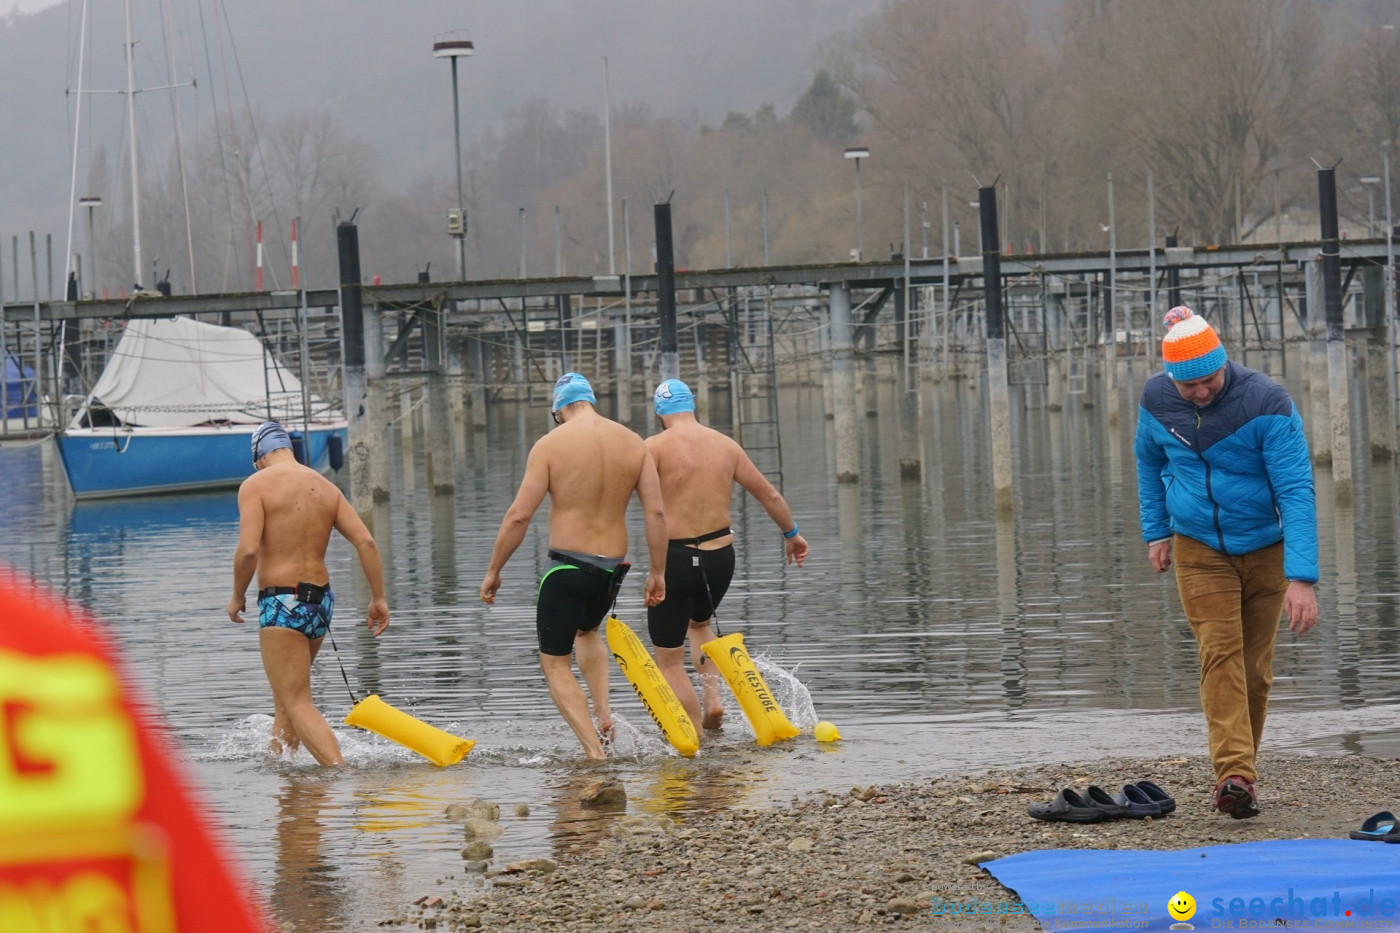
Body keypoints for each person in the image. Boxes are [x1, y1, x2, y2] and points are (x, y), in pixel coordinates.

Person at [1134, 306, 1318, 819]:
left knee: (1255, 671)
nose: (1200, 392)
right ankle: (1235, 776)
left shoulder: (1267, 402)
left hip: (1266, 551)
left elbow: (1297, 492)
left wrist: (1301, 578)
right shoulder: (1156, 399)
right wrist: (1156, 533)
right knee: (1220, 653)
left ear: (1223, 363)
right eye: (1188, 384)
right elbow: (1149, 462)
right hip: (1198, 548)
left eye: (1209, 379)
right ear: (1172, 378)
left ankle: (1241, 775)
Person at [479, 373, 668, 760]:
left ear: (558, 409)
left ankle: (593, 754)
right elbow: (657, 512)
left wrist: (494, 569)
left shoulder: (550, 445)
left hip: (566, 569)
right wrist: (658, 571)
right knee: (588, 632)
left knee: (554, 662)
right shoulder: (633, 443)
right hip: (613, 571)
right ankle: (602, 712)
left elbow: (519, 516)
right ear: (590, 400)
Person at [644, 378, 809, 735]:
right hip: (721, 557)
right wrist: (792, 535)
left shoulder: (652, 448)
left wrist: (652, 567)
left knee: (669, 659)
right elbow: (770, 496)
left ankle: (697, 740)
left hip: (675, 557)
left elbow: (644, 508)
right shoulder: (726, 445)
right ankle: (713, 698)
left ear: (659, 411)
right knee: (700, 625)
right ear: (692, 405)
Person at [227, 421, 390, 766]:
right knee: (286, 701)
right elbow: (367, 541)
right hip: (320, 603)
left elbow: (247, 552)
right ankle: (288, 781)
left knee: (297, 700)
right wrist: (378, 598)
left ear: (258, 457)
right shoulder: (326, 487)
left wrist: (237, 595)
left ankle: (339, 772)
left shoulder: (255, 485)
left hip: (281, 601)